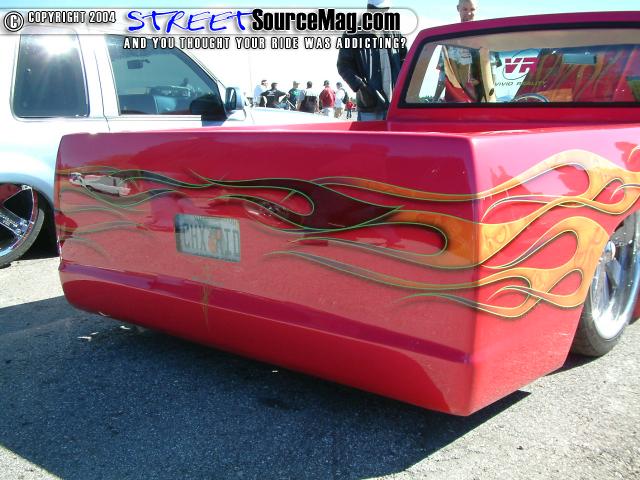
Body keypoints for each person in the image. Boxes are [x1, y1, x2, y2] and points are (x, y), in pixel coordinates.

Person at [337, 0, 407, 121]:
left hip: (394, 105)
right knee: (368, 134)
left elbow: (405, 60)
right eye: (380, 10)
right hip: (369, 107)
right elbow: (343, 65)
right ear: (369, 8)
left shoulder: (395, 32)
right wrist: (361, 87)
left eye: (386, 10)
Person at [433, 0, 480, 102]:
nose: (468, 13)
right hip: (453, 103)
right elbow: (443, 74)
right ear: (458, 9)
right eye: (465, 9)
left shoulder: (485, 37)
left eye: (472, 9)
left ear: (477, 9)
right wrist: (435, 99)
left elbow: (492, 73)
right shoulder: (450, 39)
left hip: (478, 102)